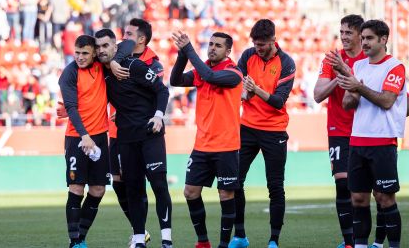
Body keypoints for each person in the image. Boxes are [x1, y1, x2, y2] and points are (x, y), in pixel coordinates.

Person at [97, 28, 173, 248]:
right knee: (133, 188)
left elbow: (162, 91)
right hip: (126, 137)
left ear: (115, 45)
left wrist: (158, 116)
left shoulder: (134, 65)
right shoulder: (102, 72)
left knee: (159, 185)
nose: (102, 50)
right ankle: (139, 238)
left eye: (106, 46)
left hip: (151, 134)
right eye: (99, 47)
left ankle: (167, 239)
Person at [170, 31, 243, 248]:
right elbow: (175, 80)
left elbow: (210, 78)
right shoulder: (203, 70)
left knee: (225, 194)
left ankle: (223, 244)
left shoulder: (234, 72)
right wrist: (183, 53)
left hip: (227, 146)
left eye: (218, 45)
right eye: (210, 44)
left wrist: (189, 49)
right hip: (202, 145)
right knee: (190, 192)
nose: (212, 48)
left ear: (228, 51)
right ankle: (203, 241)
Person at [338, 20, 406, 248]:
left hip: (383, 141)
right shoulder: (359, 67)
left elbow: (387, 101)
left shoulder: (395, 67)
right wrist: (351, 90)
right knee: (358, 198)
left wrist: (359, 88)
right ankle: (360, 245)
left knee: (385, 198)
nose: (363, 42)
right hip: (357, 140)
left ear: (383, 39)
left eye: (369, 38)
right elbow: (348, 104)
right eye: (363, 38)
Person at [230, 19, 295, 248]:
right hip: (246, 127)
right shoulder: (248, 56)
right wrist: (245, 95)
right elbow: (238, 87)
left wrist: (255, 90)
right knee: (234, 181)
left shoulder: (287, 63)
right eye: (255, 44)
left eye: (262, 44)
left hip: (274, 130)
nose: (258, 48)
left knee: (275, 186)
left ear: (273, 40)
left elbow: (278, 101)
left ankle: (273, 240)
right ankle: (240, 236)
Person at [313, 14, 366, 248]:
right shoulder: (332, 59)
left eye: (348, 33)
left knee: (372, 190)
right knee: (343, 183)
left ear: (359, 35)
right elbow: (317, 95)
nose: (343, 37)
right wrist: (338, 75)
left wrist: (346, 72)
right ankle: (349, 242)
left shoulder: (369, 59)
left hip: (366, 129)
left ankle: (373, 241)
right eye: (341, 32)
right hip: (338, 129)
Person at [58, 35, 110, 248]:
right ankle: (75, 241)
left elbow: (123, 47)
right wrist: (84, 136)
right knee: (77, 188)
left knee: (98, 190)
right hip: (77, 138)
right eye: (77, 53)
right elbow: (71, 108)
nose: (79, 57)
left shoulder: (101, 66)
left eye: (85, 53)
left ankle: (81, 236)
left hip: (99, 136)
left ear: (94, 53)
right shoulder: (69, 74)